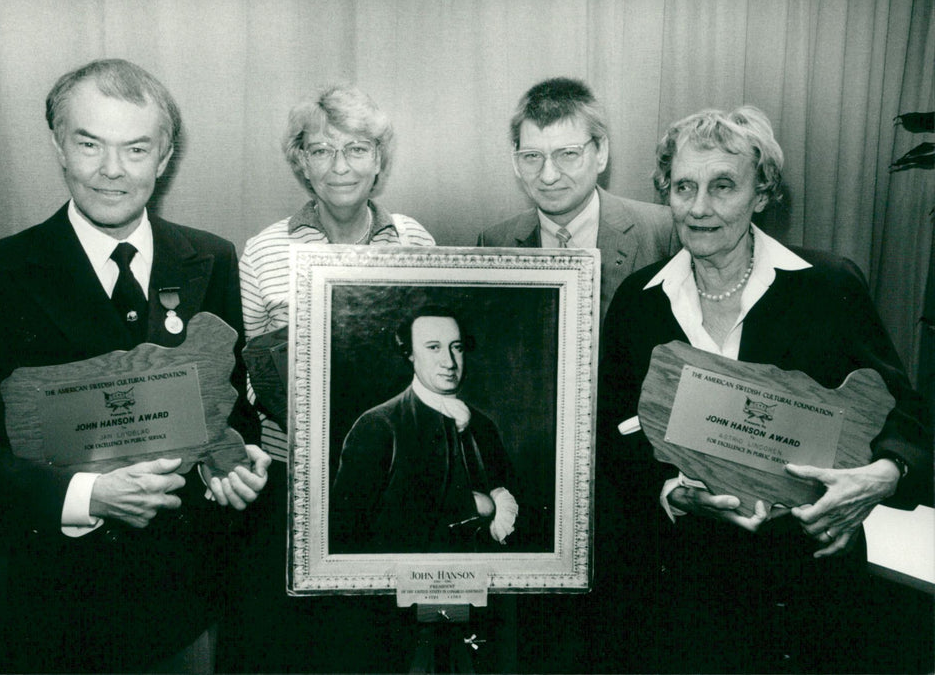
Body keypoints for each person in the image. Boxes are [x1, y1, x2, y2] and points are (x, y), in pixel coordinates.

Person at [0, 58, 271, 674]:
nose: (112, 170)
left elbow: (228, 405)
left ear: (164, 158)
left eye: (136, 148)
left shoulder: (210, 259)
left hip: (188, 609)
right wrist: (88, 496)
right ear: (59, 146)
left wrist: (234, 462)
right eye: (89, 144)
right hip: (56, 613)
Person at [595, 106, 931, 673]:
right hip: (682, 594)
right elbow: (612, 431)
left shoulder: (828, 287)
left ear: (763, 193)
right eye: (684, 187)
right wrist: (671, 492)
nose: (699, 207)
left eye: (723, 186)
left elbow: (906, 413)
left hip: (808, 588)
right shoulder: (638, 301)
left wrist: (882, 475)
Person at [239, 83, 435, 464]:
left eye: (357, 149)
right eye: (321, 151)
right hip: (291, 462)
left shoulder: (415, 241)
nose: (340, 167)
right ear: (302, 162)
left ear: (378, 160)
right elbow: (248, 372)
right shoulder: (262, 251)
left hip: (394, 459)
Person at [477, 77, 677, 324]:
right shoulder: (493, 244)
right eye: (532, 156)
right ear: (515, 161)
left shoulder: (664, 232)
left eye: (568, 154)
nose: (548, 176)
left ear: (601, 152)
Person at [330, 305, 519, 553]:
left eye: (456, 347)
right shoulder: (378, 425)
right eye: (433, 347)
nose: (449, 362)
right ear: (410, 353)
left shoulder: (483, 426)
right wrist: (473, 506)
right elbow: (346, 530)